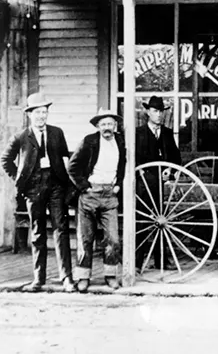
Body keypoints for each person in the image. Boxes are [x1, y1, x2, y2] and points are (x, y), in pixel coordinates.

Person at [0, 93, 75, 293]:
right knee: (38, 232)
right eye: (38, 112)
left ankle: (66, 277)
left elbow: (65, 157)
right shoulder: (21, 137)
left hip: (56, 185)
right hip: (33, 188)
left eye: (45, 112)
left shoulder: (57, 133)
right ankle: (38, 278)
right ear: (30, 115)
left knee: (61, 229)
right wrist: (19, 179)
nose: (42, 116)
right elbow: (5, 160)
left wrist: (66, 181)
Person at [67, 108, 126, 293]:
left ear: (115, 126)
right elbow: (72, 167)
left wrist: (118, 185)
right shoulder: (89, 141)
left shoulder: (120, 141)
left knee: (113, 239)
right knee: (85, 239)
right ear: (98, 126)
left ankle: (110, 276)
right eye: (103, 124)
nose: (107, 128)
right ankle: (83, 277)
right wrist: (85, 187)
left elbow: (124, 164)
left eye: (110, 124)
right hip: (89, 195)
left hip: (110, 195)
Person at [135, 96, 181, 270]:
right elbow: (132, 159)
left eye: (161, 111)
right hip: (143, 184)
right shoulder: (138, 133)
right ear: (148, 112)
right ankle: (137, 262)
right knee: (141, 221)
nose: (159, 115)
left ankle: (161, 261)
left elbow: (176, 158)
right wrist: (141, 173)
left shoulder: (167, 133)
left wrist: (171, 171)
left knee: (162, 222)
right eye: (155, 111)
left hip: (161, 184)